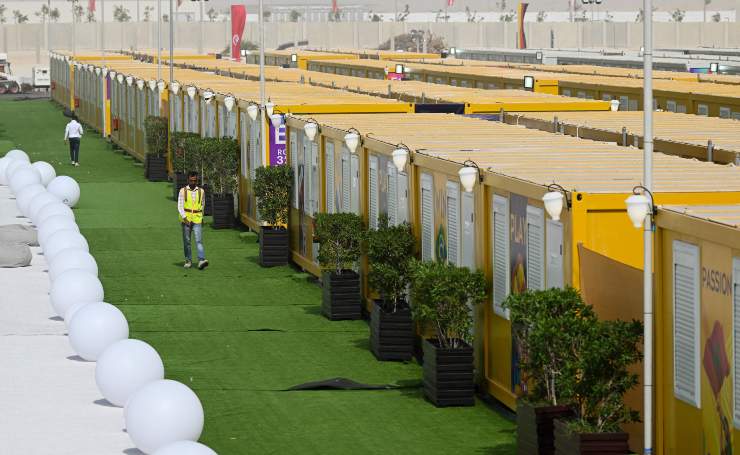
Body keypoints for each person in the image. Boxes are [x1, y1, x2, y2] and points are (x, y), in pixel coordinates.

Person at [178, 171, 209, 270]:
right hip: (186, 219)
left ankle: (201, 260)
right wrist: (184, 218)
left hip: (197, 219)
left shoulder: (201, 191)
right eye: (191, 180)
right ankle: (188, 260)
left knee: (199, 240)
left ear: (197, 180)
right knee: (187, 241)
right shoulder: (182, 191)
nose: (193, 182)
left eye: (195, 180)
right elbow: (179, 206)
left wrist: (202, 217)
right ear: (188, 180)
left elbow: (202, 205)